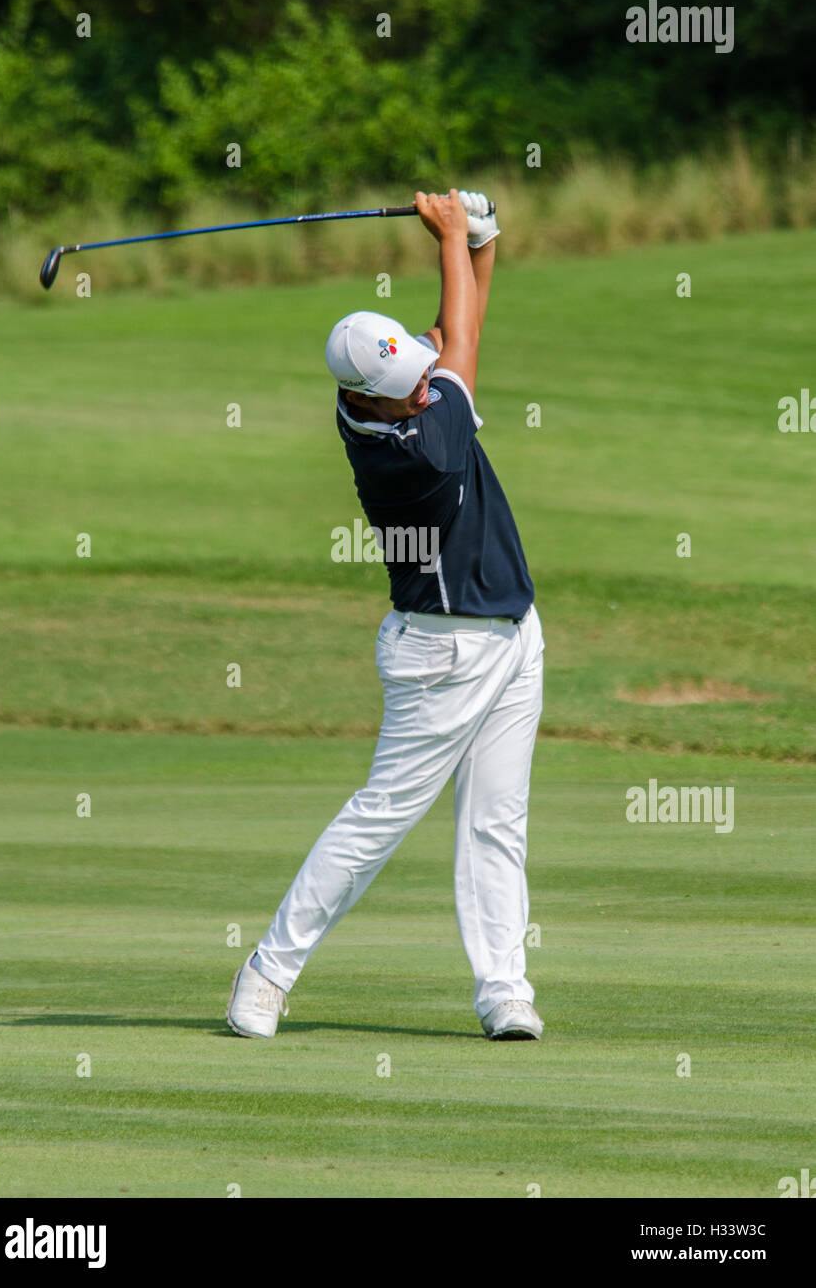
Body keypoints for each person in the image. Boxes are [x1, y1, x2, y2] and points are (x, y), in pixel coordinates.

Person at [227, 189, 545, 1041]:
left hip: (514, 634)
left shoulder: (391, 390)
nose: (423, 384)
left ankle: (503, 989)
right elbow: (464, 346)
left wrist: (477, 239)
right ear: (371, 402)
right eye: (410, 387)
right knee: (378, 820)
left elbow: (450, 328)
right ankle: (265, 973)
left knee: (496, 820)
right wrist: (449, 235)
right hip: (440, 653)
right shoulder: (414, 449)